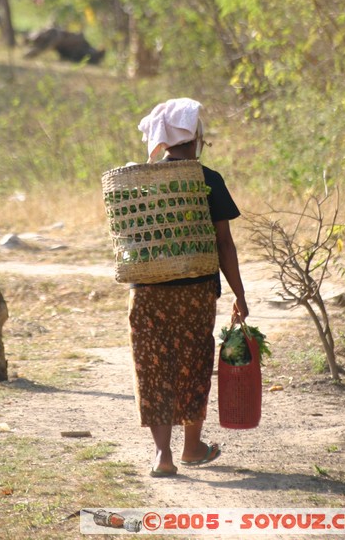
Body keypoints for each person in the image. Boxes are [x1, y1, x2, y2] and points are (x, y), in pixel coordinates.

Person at [130, 97, 249, 477]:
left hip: (146, 290)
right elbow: (224, 243)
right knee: (193, 364)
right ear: (195, 134)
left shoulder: (140, 183)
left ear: (163, 138)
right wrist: (240, 295)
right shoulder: (207, 180)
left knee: (153, 366)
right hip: (195, 292)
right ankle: (192, 447)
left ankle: (162, 455)